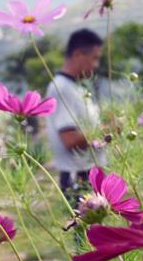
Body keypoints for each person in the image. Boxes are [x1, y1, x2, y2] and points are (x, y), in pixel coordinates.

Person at [45, 28, 107, 203]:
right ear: (79, 54)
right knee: (85, 229)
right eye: (95, 58)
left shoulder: (75, 87)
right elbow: (70, 140)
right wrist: (106, 131)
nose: (96, 65)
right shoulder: (61, 88)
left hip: (88, 171)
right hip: (78, 175)